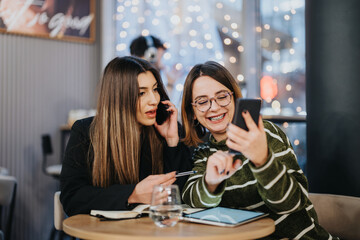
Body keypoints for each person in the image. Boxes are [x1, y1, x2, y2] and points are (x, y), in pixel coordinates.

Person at [180, 61, 338, 239]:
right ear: (193, 112)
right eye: (202, 101)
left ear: (234, 97)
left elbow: (292, 203)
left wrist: (262, 159)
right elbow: (191, 199)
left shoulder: (265, 134)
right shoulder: (203, 153)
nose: (214, 107)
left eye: (222, 96)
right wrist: (210, 182)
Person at [60, 56, 192, 216]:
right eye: (141, 93)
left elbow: (184, 196)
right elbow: (72, 198)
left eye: (155, 89)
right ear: (118, 98)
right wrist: (132, 194)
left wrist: (172, 141)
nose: (154, 100)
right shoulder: (85, 131)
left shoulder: (164, 129)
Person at [129, 35, 184, 104]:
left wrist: (170, 83)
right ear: (151, 54)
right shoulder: (137, 77)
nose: (161, 63)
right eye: (161, 57)